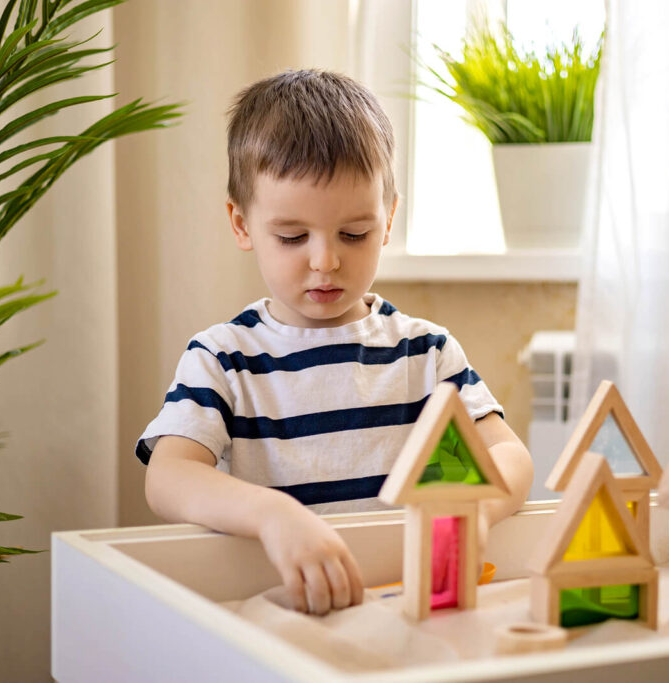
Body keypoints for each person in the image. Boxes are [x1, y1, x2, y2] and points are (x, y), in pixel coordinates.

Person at [138, 69, 533, 617]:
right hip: (290, 614)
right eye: (293, 237)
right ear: (241, 222)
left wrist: (475, 513)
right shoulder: (221, 359)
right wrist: (273, 515)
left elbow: (509, 455)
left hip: (405, 606)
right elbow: (169, 476)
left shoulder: (426, 352)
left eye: (354, 234)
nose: (325, 260)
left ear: (389, 217)